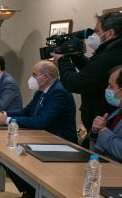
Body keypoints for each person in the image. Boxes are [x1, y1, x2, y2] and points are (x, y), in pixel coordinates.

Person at [0, 61, 77, 198]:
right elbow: (27, 111)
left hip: (58, 142)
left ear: (46, 77)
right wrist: (5, 115)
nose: (31, 78)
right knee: (8, 156)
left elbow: (41, 122)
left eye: (34, 75)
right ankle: (30, 192)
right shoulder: (42, 90)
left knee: (17, 156)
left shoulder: (59, 92)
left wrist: (7, 121)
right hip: (41, 136)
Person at [52, 12, 122, 147]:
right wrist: (77, 57)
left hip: (105, 123)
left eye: (97, 31)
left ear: (110, 33)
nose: (93, 36)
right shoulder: (113, 51)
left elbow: (77, 83)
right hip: (102, 123)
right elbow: (94, 74)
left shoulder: (108, 55)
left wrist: (63, 61)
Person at [89, 65, 122, 162]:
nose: (107, 89)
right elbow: (97, 150)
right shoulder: (117, 112)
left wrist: (104, 132)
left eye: (111, 86)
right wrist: (95, 132)